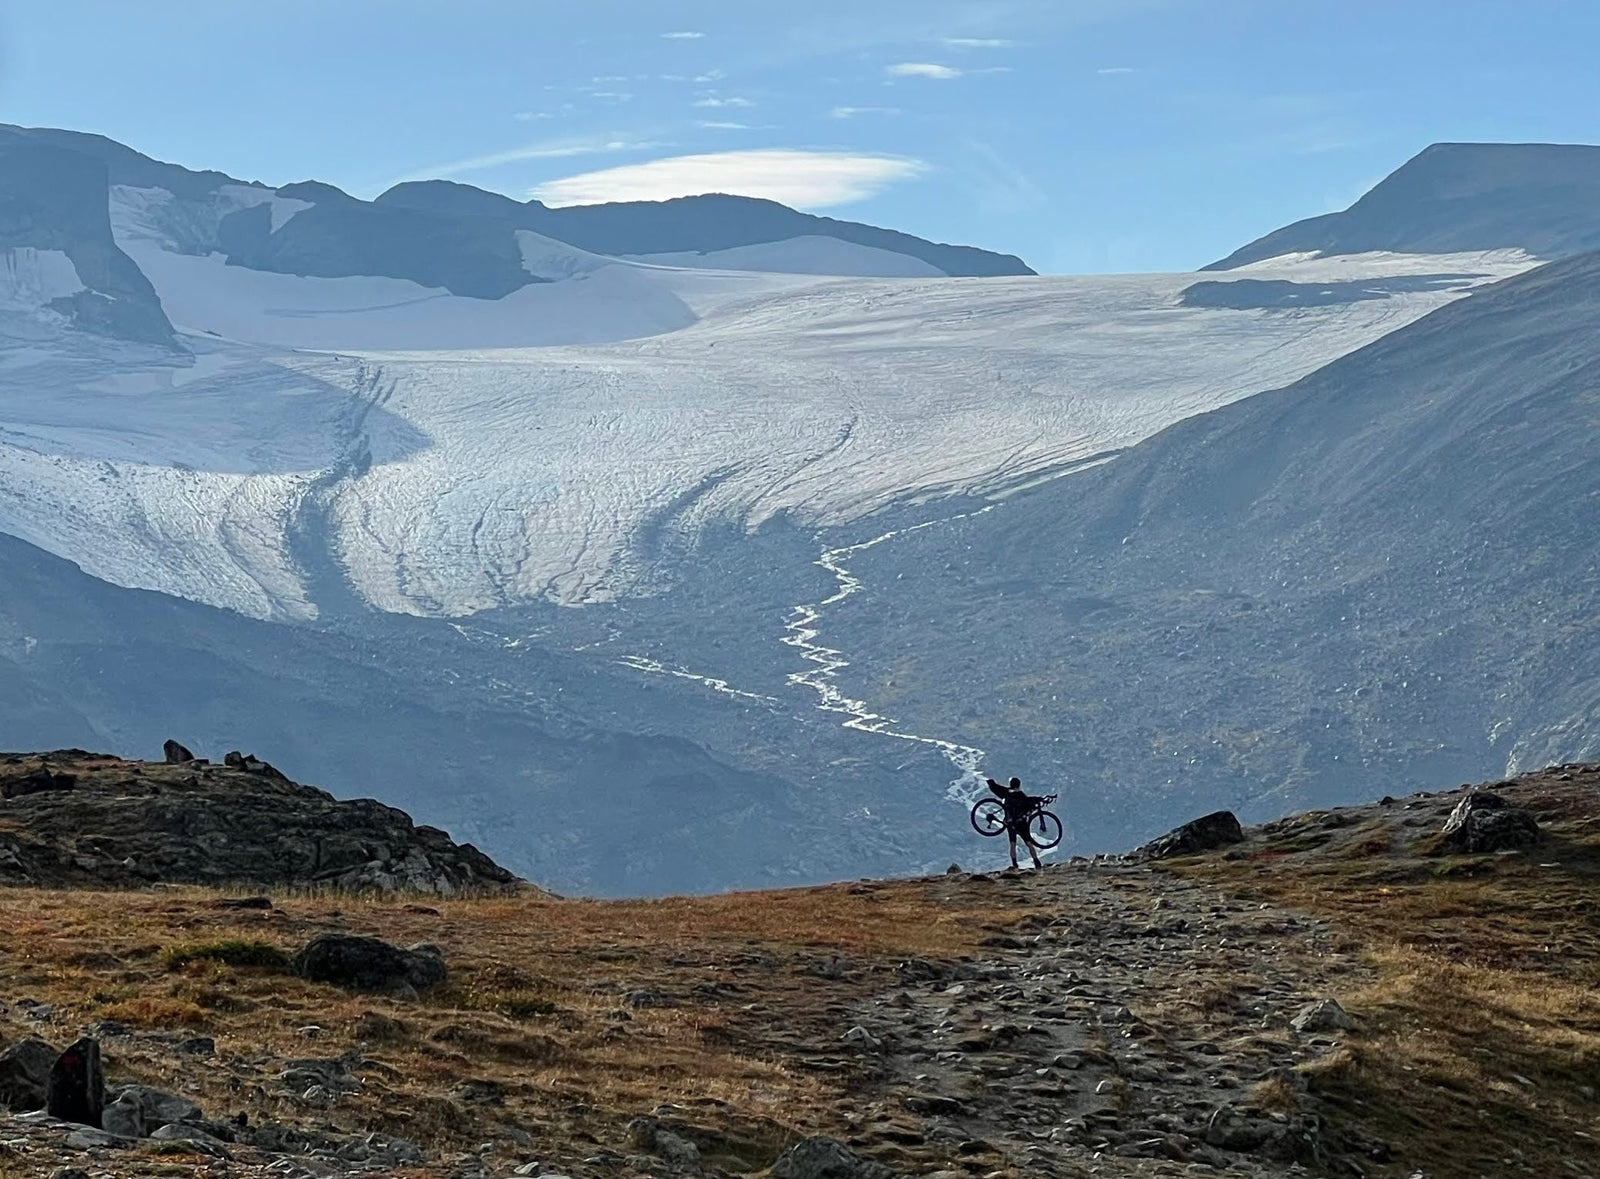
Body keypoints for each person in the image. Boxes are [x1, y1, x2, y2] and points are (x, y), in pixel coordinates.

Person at [987, 776, 1044, 869]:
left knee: (1012, 844)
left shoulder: (1007, 793)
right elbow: (1029, 805)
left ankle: (1014, 864)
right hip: (1021, 823)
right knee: (1029, 843)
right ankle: (1036, 862)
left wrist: (991, 784)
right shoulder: (1022, 795)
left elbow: (997, 789)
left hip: (1010, 823)